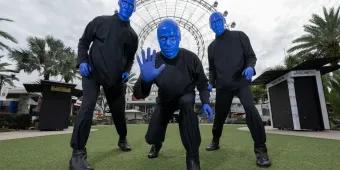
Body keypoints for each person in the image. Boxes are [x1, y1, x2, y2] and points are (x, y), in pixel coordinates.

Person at [133, 19, 214, 170]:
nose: (168, 43)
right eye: (163, 38)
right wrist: (145, 79)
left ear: (179, 37)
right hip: (164, 101)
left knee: (187, 107)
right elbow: (138, 94)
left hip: (185, 97)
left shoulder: (191, 58)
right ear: (158, 39)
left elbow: (202, 84)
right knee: (151, 137)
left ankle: (193, 158)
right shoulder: (153, 60)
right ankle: (156, 144)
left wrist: (206, 102)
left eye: (172, 38)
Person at [69, 0, 138, 169]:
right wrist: (83, 61)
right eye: (126, 2)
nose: (128, 6)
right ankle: (77, 154)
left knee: (118, 113)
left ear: (134, 8)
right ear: (120, 2)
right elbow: (84, 42)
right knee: (88, 106)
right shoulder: (100, 21)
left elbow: (130, 58)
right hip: (92, 73)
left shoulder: (132, 36)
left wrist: (127, 71)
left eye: (132, 4)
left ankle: (122, 138)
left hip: (114, 80)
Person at [206, 12, 271, 167]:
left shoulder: (240, 36)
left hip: (241, 82)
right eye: (212, 22)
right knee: (219, 117)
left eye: (218, 20)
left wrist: (250, 68)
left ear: (224, 21)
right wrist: (210, 83)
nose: (215, 23)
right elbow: (212, 70)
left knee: (250, 109)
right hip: (222, 87)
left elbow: (251, 57)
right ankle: (215, 140)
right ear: (210, 26)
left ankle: (261, 149)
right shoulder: (211, 47)